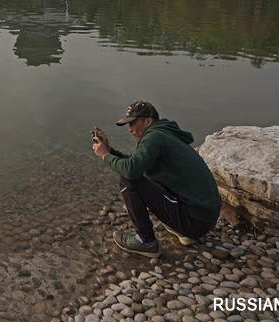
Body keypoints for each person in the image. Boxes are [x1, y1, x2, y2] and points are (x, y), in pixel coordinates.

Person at [91, 101, 221, 257]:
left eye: (133, 122)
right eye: (128, 124)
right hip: (205, 216)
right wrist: (110, 150)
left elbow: (132, 171)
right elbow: (136, 164)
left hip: (195, 220)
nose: (130, 129)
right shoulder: (164, 134)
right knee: (139, 175)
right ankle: (183, 230)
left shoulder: (153, 137)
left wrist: (105, 155)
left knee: (128, 180)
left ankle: (146, 242)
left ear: (148, 120)